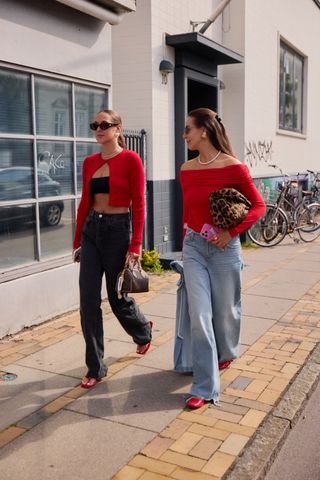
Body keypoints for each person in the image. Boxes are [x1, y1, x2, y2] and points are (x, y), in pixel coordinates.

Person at [180, 107, 266, 409]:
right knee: (200, 317)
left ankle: (227, 352)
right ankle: (204, 387)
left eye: (188, 129)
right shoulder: (186, 169)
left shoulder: (234, 168)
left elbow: (258, 206)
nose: (185, 135)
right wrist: (185, 241)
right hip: (193, 248)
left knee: (227, 312)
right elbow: (188, 212)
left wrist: (231, 234)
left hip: (224, 250)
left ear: (204, 130)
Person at [73, 109, 152, 389]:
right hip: (92, 230)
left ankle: (143, 331)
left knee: (117, 297)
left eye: (104, 125)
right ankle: (95, 366)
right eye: (95, 125)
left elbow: (139, 203)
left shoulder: (131, 159)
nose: (98, 129)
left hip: (118, 230)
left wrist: (136, 244)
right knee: (87, 301)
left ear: (118, 129)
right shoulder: (89, 162)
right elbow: (85, 202)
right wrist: (77, 241)